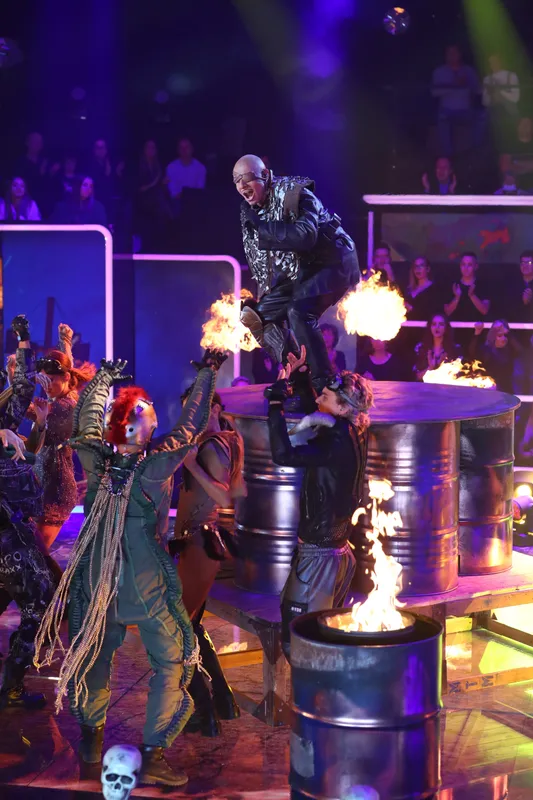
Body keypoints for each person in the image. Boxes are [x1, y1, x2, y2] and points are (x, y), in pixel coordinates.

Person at [34, 350, 225, 787]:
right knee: (172, 660)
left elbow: (87, 423)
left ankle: (90, 743)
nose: (153, 414)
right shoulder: (154, 466)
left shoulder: (95, 459)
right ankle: (153, 753)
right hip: (142, 581)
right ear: (142, 426)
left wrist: (102, 378)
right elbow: (190, 427)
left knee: (93, 655)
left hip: (97, 577)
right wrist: (207, 374)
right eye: (148, 411)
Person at [265, 346, 372, 659]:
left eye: (325, 396)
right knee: (319, 639)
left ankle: (318, 691)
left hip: (320, 558)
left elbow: (283, 455)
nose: (318, 400)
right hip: (333, 552)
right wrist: (301, 377)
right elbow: (322, 412)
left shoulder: (336, 442)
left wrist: (275, 403)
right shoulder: (351, 427)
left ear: (342, 407)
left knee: (301, 644)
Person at [234, 154, 360, 390]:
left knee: (299, 311)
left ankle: (324, 384)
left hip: (335, 261)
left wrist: (262, 227)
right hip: (305, 266)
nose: (242, 186)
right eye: (236, 180)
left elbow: (305, 236)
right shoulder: (253, 208)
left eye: (246, 178)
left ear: (264, 175)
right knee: (259, 315)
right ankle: (300, 377)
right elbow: (267, 256)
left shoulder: (295, 193)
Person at [169, 390, 245, 736]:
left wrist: (191, 467)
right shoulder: (226, 440)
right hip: (200, 539)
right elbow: (239, 490)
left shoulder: (214, 446)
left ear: (214, 408)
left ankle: (203, 713)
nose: (192, 417)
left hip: (199, 543)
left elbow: (224, 494)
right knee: (192, 626)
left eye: (197, 409)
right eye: (187, 410)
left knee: (177, 629)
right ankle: (224, 701)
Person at [0, 315, 55, 710]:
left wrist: (24, 341)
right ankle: (12, 687)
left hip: (14, 534)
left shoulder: (4, 420)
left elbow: (22, 388)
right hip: (8, 539)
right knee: (39, 605)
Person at [30, 324, 96, 559]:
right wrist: (65, 341)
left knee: (37, 558)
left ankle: (59, 583)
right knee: (32, 556)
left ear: (65, 378)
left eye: (50, 381)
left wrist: (14, 382)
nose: (46, 387)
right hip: (43, 484)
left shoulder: (64, 406)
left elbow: (23, 410)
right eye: (43, 382)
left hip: (56, 490)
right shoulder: (68, 392)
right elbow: (67, 366)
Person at [432, 45, 483, 156]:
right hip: (446, 110)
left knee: (482, 116)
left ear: (460, 54)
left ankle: (475, 150)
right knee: (442, 119)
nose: (452, 55)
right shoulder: (439, 71)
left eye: (454, 52)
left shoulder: (469, 71)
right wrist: (454, 85)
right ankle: (448, 155)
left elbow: (478, 91)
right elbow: (435, 92)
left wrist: (469, 84)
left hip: (466, 110)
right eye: (449, 53)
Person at [135, 140, 171, 251]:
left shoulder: (159, 166)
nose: (151, 150)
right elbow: (139, 188)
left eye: (153, 148)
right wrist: (155, 183)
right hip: (142, 203)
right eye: (148, 147)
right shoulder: (139, 165)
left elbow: (162, 186)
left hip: (156, 202)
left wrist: (163, 184)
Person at [470, 319, 521, 394]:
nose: (503, 337)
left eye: (504, 334)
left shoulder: (511, 349)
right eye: (499, 334)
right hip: (489, 390)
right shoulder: (487, 350)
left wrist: (508, 333)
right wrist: (477, 333)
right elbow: (473, 353)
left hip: (506, 390)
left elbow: (519, 350)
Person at [482, 54, 520, 146]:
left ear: (501, 62)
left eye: (495, 61)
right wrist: (490, 94)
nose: (493, 64)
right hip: (494, 112)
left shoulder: (511, 76)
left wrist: (500, 90)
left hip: (509, 111)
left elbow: (516, 98)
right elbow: (484, 102)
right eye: (491, 62)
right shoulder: (487, 79)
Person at [444, 252, 491, 321]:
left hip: (477, 326)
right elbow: (447, 312)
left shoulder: (483, 285)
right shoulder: (454, 285)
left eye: (469, 265)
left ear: (476, 266)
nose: (465, 268)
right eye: (463, 264)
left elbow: (484, 311)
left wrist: (472, 295)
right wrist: (457, 298)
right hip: (456, 326)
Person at [414, 314, 461, 381]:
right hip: (424, 386)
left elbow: (458, 376)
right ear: (430, 327)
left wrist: (440, 367)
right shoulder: (421, 347)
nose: (437, 327)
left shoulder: (455, 348)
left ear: (446, 328)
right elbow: (417, 377)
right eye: (434, 324)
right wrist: (430, 368)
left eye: (441, 324)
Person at [166, 138, 207, 205]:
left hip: (195, 202)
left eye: (186, 147)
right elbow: (173, 193)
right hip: (177, 202)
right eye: (181, 148)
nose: (184, 150)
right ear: (178, 150)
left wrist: (189, 196)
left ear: (192, 149)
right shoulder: (171, 167)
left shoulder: (200, 168)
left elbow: (200, 190)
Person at [404, 256, 441, 321]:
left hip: (424, 325)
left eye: (421, 266)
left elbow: (432, 312)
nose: (418, 269)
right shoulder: (409, 290)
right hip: (408, 325)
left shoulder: (434, 289)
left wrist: (411, 308)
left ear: (428, 269)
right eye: (415, 266)